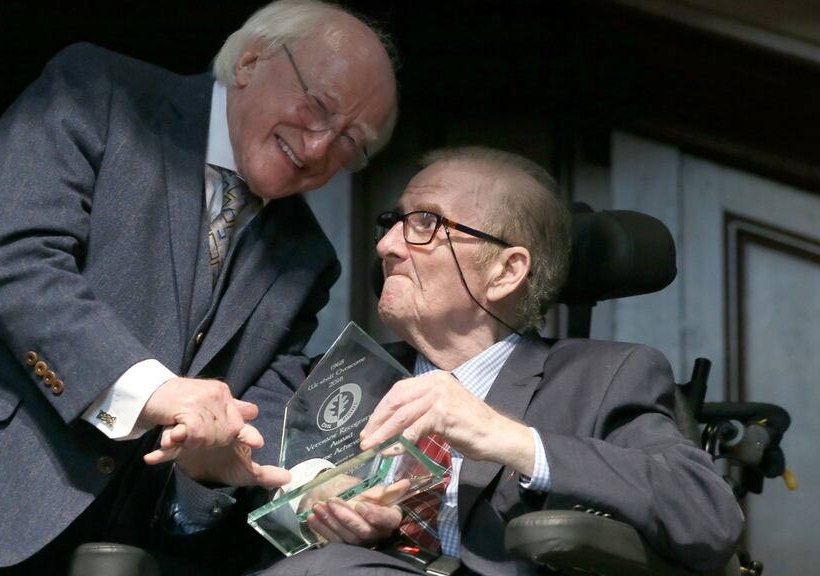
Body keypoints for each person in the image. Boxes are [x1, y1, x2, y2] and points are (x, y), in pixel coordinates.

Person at [0, 1, 398, 574]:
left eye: (353, 141)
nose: (322, 148)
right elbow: (17, 259)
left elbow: (260, 410)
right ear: (250, 61)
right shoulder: (99, 91)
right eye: (318, 107)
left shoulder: (307, 258)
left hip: (115, 551)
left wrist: (311, 490)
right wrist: (158, 391)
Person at [261, 147, 743, 575]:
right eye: (394, 223)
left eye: (426, 223)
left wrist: (506, 438)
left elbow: (707, 515)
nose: (386, 246)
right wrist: (316, 496)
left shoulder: (605, 378)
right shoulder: (341, 376)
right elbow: (254, 475)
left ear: (506, 270)